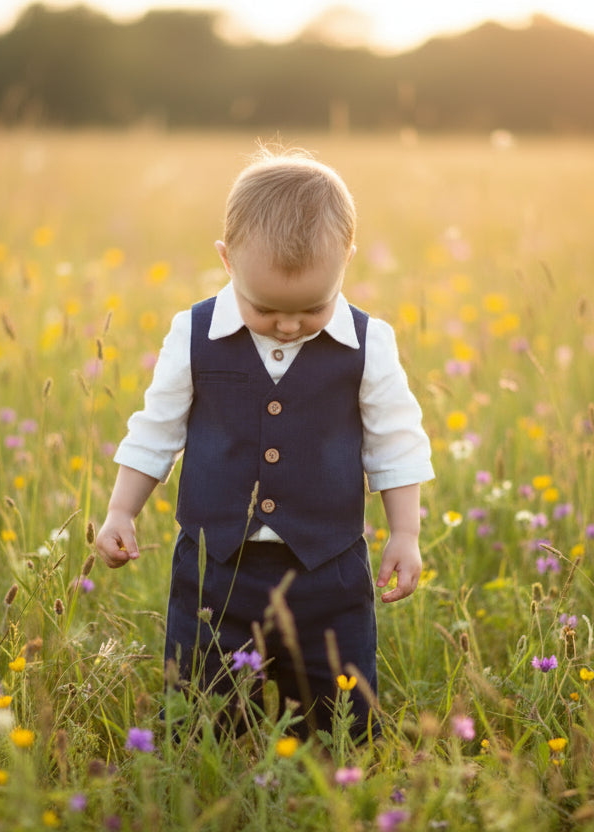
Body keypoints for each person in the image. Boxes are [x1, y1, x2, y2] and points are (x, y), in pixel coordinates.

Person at [96, 145, 434, 737]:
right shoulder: (193, 332)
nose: (288, 324)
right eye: (266, 307)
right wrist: (122, 509)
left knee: (340, 708)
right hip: (215, 566)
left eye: (311, 307)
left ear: (346, 262)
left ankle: (332, 778)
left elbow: (395, 444)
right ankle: (210, 767)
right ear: (227, 261)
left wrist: (404, 531)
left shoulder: (369, 342)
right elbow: (156, 430)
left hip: (329, 568)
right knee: (201, 703)